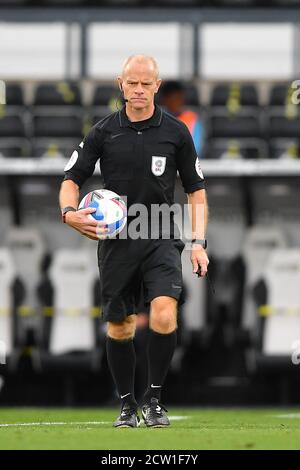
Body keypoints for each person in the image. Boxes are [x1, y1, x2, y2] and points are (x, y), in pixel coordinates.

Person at [59, 55, 209, 428]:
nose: (139, 89)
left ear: (157, 86)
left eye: (146, 83)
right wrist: (68, 214)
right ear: (121, 84)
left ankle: (155, 400)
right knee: (120, 327)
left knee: (163, 311)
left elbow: (197, 192)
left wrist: (198, 241)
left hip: (160, 235)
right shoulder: (103, 131)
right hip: (117, 241)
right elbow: (70, 179)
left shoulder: (176, 132)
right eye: (132, 83)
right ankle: (127, 405)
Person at [159, 80, 203, 156]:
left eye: (178, 98)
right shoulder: (158, 119)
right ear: (165, 100)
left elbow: (197, 147)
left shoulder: (193, 119)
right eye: (172, 99)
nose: (176, 102)